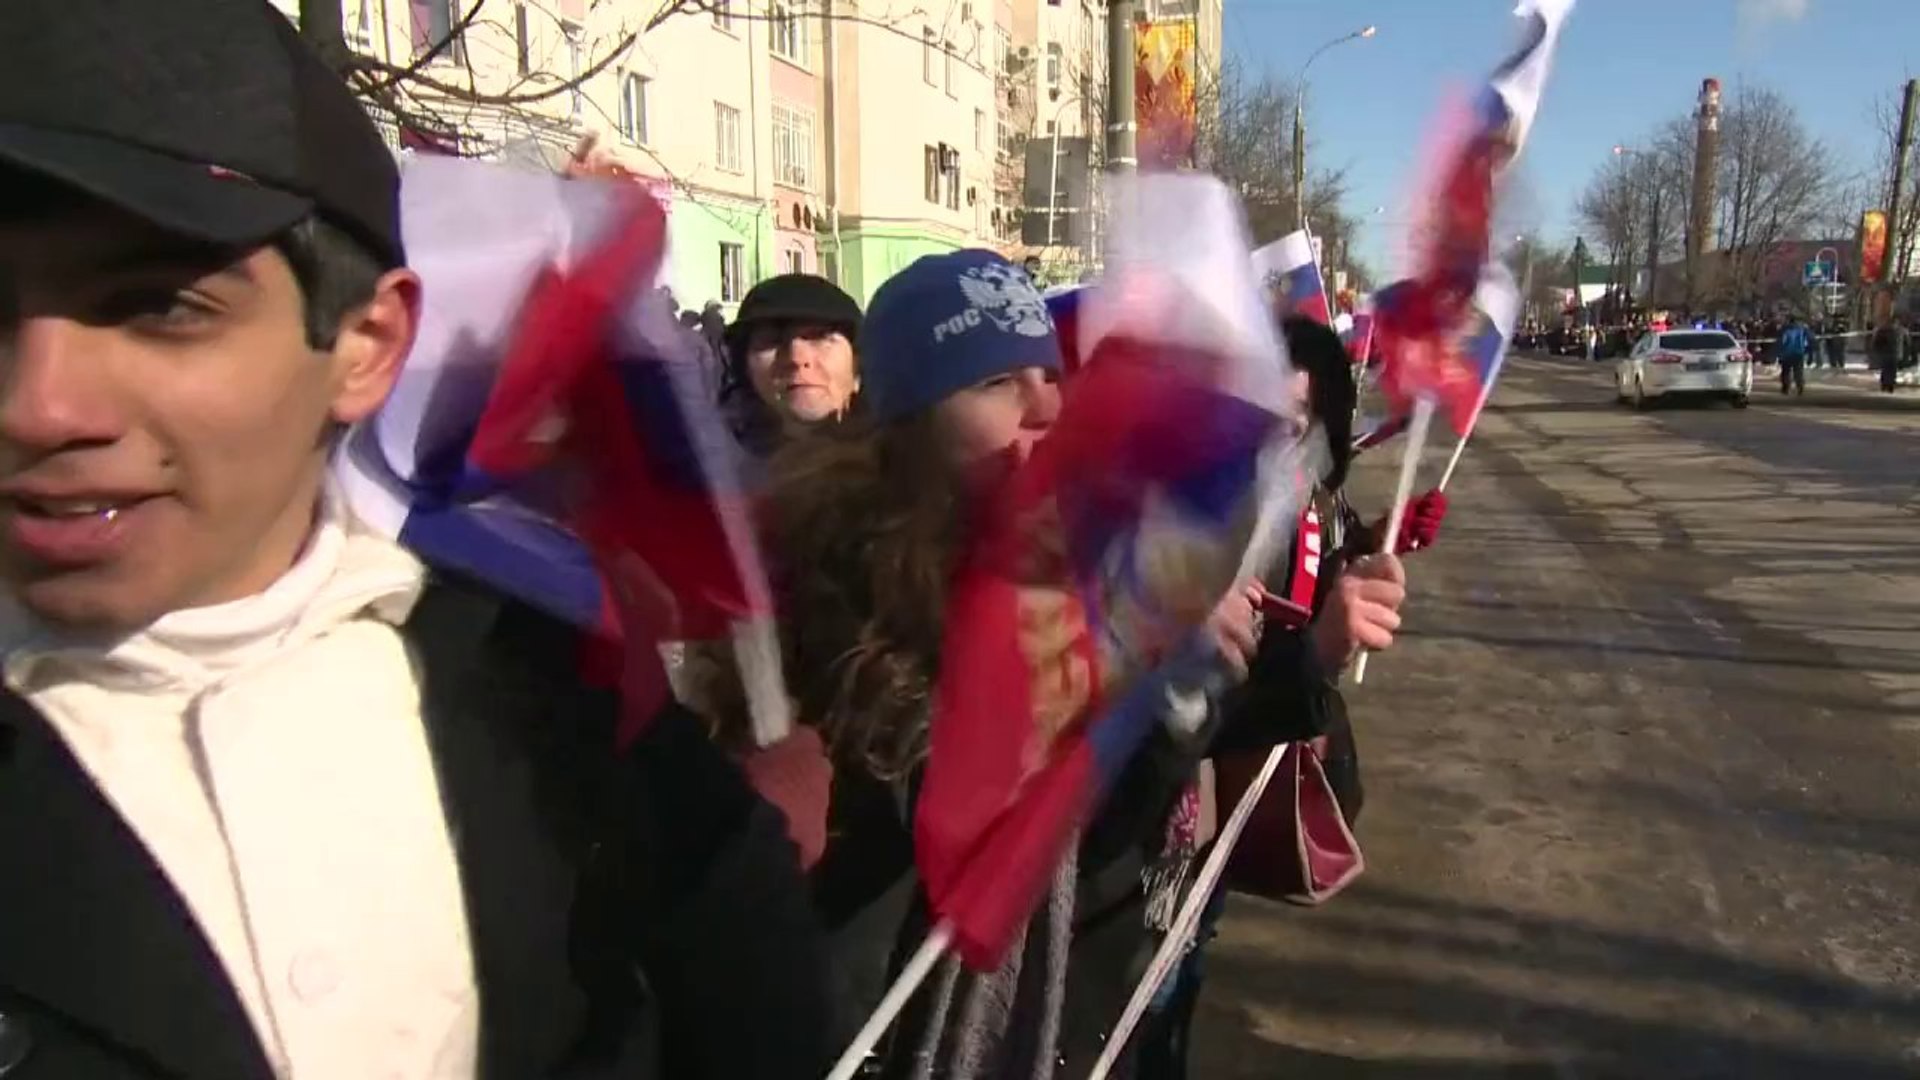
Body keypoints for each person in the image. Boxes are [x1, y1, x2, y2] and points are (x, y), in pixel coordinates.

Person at [0, 2, 832, 1076]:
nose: (42, 406)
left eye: (158, 309)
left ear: (365, 344)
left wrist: (740, 860)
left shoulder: (542, 691)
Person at [722, 249, 1261, 1078]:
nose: (1048, 404)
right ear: (910, 423)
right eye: (998, 382)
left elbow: (1092, 857)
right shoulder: (813, 594)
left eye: (1049, 374)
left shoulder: (1078, 571)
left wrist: (1166, 712)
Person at [720, 273, 863, 456]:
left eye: (818, 337)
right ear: (745, 369)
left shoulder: (901, 464)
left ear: (857, 364)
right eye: (772, 341)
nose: (796, 358)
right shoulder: (707, 469)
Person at [1870, 315, 1908, 394]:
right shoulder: (1900, 331)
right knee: (1889, 370)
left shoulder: (1887, 330)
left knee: (1888, 370)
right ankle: (1888, 385)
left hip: (1891, 353)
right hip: (1891, 353)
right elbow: (1907, 343)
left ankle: (1887, 385)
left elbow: (1876, 342)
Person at [1776, 313, 1811, 396]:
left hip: (1787, 353)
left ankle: (1786, 388)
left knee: (1786, 372)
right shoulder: (1801, 330)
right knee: (1798, 372)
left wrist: (1779, 353)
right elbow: (1806, 342)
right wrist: (1807, 351)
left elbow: (1782, 342)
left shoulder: (1785, 330)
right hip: (1799, 353)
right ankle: (1800, 386)